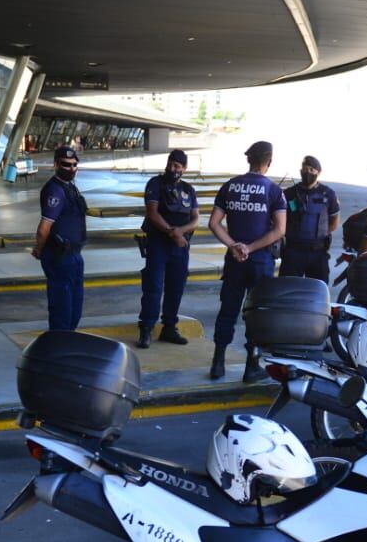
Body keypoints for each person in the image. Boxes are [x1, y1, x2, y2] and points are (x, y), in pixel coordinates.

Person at [208, 141, 287, 382]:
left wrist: (234, 246)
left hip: (234, 261)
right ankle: (251, 366)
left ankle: (218, 362)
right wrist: (250, 247)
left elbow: (214, 223)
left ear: (248, 160)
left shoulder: (230, 186)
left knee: (228, 310)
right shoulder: (274, 191)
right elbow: (280, 230)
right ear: (269, 162)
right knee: (257, 314)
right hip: (260, 261)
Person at [137, 149, 200, 348]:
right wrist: (173, 233)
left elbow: (196, 218)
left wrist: (180, 232)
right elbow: (152, 213)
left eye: (177, 166)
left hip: (180, 247)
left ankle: (169, 327)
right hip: (158, 244)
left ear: (184, 169)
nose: (172, 169)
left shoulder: (188, 189)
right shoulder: (155, 184)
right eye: (170, 164)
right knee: (153, 287)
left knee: (176, 288)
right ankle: (146, 328)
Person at [31, 146, 88, 330]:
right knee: (62, 310)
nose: (71, 169)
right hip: (59, 256)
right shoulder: (55, 190)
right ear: (56, 164)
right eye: (66, 164)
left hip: (74, 255)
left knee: (74, 309)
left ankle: (66, 343)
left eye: (74, 165)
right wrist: (39, 249)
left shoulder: (70, 188)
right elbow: (43, 229)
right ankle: (58, 348)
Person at [279, 155, 339, 282]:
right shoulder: (289, 193)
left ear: (318, 172)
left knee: (318, 292)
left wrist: (319, 235)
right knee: (287, 290)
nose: (308, 172)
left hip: (318, 252)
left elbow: (334, 222)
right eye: (305, 169)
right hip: (292, 252)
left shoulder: (328, 194)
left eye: (312, 170)